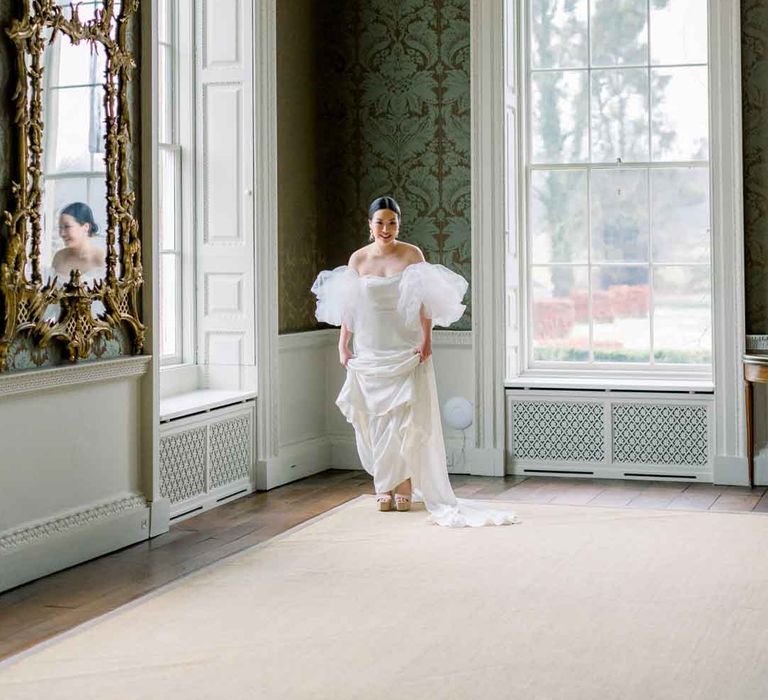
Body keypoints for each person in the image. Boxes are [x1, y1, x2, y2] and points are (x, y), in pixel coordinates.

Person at [312, 196, 518, 528]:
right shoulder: (357, 259)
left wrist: (427, 339)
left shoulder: (412, 255)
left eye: (392, 223)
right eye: (379, 222)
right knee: (376, 419)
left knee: (404, 417)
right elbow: (349, 308)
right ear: (369, 225)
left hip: (404, 346)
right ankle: (384, 483)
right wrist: (342, 344)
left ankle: (404, 483)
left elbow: (423, 303)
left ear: (399, 224)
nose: (386, 229)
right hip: (369, 347)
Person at [51, 202, 106, 280]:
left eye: (67, 227)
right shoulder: (59, 257)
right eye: (60, 227)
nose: (62, 233)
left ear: (86, 227)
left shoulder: (103, 259)